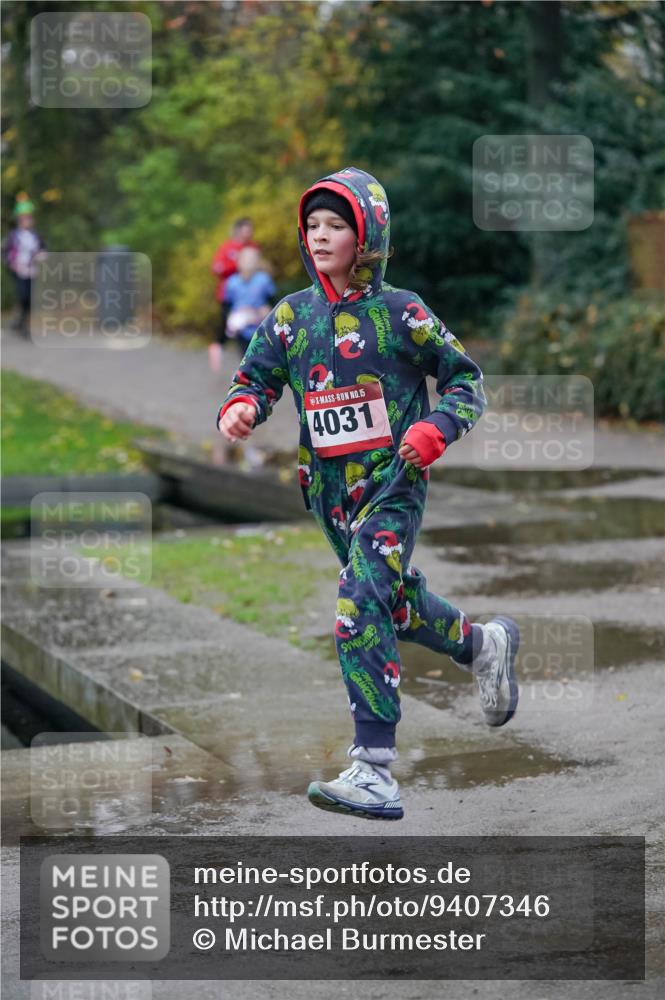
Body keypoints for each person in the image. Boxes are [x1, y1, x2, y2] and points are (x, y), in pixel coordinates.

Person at [215, 167, 519, 821]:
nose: (320, 236)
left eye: (337, 225)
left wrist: (437, 429)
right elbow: (256, 379)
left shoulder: (402, 312)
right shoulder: (291, 316)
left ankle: (373, 768)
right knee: (393, 606)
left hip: (392, 488)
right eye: (312, 225)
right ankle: (480, 645)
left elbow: (466, 381)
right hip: (328, 498)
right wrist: (240, 408)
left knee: (357, 604)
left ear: (367, 236)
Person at [209, 218, 259, 371]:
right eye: (245, 229)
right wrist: (238, 266)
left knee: (248, 329)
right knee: (229, 327)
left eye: (250, 229)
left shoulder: (253, 247)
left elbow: (260, 267)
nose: (248, 232)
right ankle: (218, 349)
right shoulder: (228, 247)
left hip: (251, 297)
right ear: (238, 230)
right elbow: (216, 268)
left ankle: (249, 365)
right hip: (230, 295)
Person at [3, 194, 46, 337]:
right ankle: (20, 321)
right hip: (19, 270)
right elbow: (6, 252)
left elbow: (43, 249)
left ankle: (23, 323)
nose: (28, 220)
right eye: (25, 218)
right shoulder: (14, 235)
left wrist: (42, 255)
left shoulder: (36, 235)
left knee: (30, 298)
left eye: (29, 217)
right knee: (23, 295)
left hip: (32, 271)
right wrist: (11, 264)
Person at [221, 246, 276, 355]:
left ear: (258, 262)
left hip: (261, 327)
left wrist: (267, 310)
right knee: (245, 358)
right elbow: (225, 306)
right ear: (239, 262)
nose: (249, 263)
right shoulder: (232, 282)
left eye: (253, 259)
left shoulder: (264, 280)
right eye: (246, 259)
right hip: (241, 330)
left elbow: (273, 301)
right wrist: (230, 320)